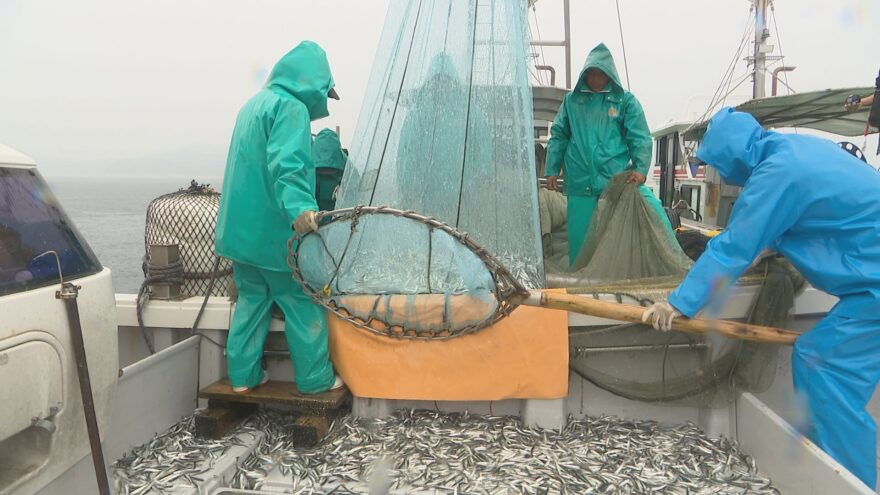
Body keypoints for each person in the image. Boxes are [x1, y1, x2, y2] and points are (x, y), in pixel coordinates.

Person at [642, 107, 880, 489]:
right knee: (819, 360)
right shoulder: (790, 150)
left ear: (730, 156)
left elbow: (735, 248)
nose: (719, 173)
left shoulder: (776, 174)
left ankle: (852, 482)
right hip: (868, 280)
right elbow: (789, 224)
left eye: (716, 164)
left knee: (826, 368)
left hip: (874, 287)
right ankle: (832, 466)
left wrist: (678, 303)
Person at [215, 41, 343, 394]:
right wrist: (302, 209)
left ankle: (242, 377)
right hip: (274, 238)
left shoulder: (253, 105)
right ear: (313, 84)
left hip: (239, 238)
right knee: (302, 302)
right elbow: (289, 166)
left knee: (251, 303)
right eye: (325, 92)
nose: (324, 101)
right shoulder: (291, 108)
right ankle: (315, 380)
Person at [544, 43, 672, 265]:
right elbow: (559, 135)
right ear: (585, 74)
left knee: (617, 238)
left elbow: (639, 136)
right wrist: (552, 169)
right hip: (580, 183)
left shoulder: (626, 102)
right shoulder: (571, 102)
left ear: (609, 75)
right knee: (580, 241)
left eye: (600, 75)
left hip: (614, 183)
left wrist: (641, 169)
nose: (595, 79)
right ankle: (579, 280)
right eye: (591, 74)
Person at [311, 128, 348, 213]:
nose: (326, 172)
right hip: (313, 216)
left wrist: (345, 191)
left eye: (329, 169)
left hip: (338, 216)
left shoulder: (348, 169)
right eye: (322, 169)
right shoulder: (305, 168)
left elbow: (355, 193)